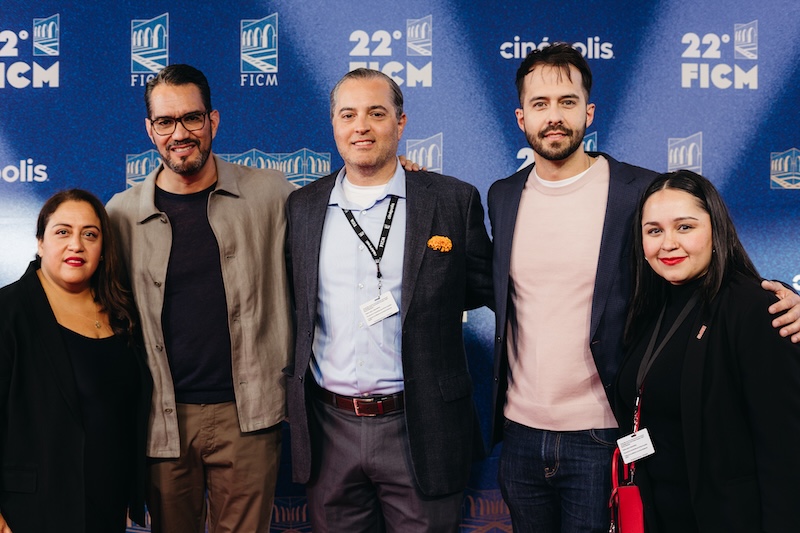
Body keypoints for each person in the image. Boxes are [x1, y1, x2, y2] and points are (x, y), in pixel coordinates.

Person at [486, 43, 800, 532]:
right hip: (520, 435)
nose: (554, 116)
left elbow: (701, 266)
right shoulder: (503, 195)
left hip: (604, 432)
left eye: (567, 102)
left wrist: (780, 296)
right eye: (540, 104)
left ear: (588, 112)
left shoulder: (642, 192)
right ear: (520, 117)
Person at [284, 68, 493, 532]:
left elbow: (491, 290)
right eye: (348, 114)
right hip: (328, 427)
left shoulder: (451, 200)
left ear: (400, 124)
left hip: (420, 425)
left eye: (376, 113)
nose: (361, 126)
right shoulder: (301, 207)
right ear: (334, 125)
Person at [106, 64, 295, 533]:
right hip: (162, 421)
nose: (180, 133)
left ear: (213, 121)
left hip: (250, 416)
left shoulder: (271, 194)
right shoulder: (120, 214)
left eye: (191, 119)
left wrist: (402, 175)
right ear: (150, 130)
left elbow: (343, 214)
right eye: (166, 122)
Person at [613, 170, 800, 532]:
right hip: (657, 516)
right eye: (654, 231)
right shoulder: (651, 307)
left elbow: (786, 453)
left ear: (716, 230)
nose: (668, 243)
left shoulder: (756, 308)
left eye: (684, 227)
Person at [0, 189, 152, 533]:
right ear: (40, 242)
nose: (76, 245)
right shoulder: (8, 311)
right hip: (30, 511)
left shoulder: (122, 313)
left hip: (105, 506)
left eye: (90, 234)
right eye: (62, 232)